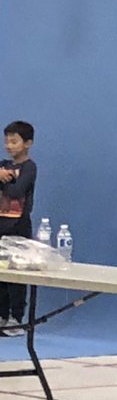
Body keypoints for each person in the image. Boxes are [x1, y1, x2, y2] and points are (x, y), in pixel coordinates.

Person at [0, 121, 36, 333]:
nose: (9, 146)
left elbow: (16, 192)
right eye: (7, 141)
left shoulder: (29, 167)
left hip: (19, 228)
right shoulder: (3, 164)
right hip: (1, 227)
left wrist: (4, 180)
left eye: (14, 141)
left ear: (28, 143)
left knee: (17, 276)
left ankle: (17, 318)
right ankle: (2, 315)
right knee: (1, 276)